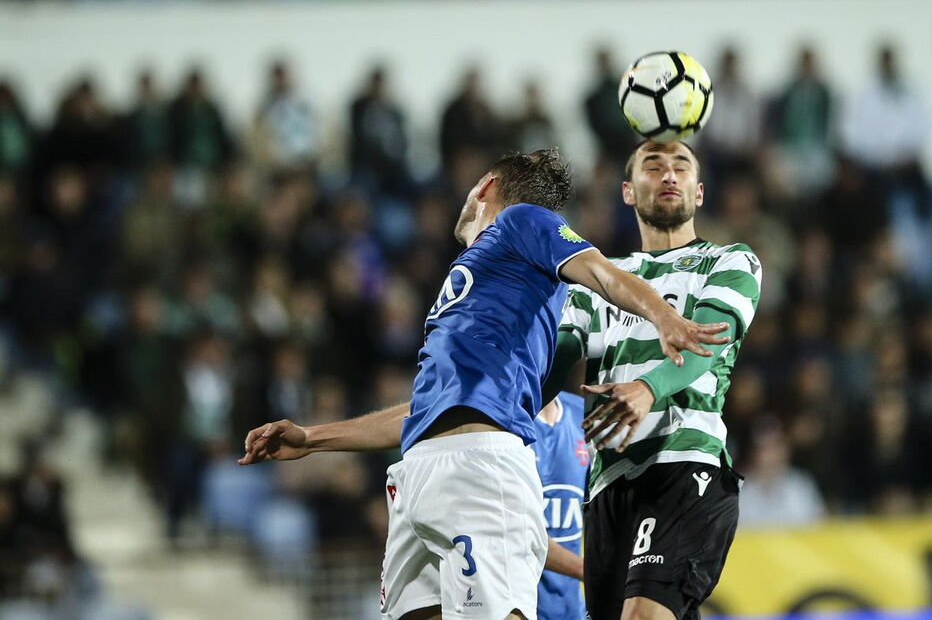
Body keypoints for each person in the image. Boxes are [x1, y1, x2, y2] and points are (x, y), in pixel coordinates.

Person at [240, 148, 729, 620]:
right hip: (418, 473)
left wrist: (666, 317)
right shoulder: (480, 282)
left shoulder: (520, 220)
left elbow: (600, 271)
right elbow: (425, 410)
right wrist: (313, 439)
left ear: (485, 187)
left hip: (480, 465)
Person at [543, 140, 762, 620]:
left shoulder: (729, 262)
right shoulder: (598, 280)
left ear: (699, 192)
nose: (668, 175)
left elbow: (706, 343)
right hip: (608, 485)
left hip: (685, 465)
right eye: (653, 165)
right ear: (627, 191)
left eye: (681, 166)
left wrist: (646, 390)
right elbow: (555, 361)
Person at [531, 392, 588, 620]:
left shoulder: (582, 411)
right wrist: (593, 573)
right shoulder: (504, 416)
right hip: (519, 605)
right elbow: (515, 531)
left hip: (571, 607)